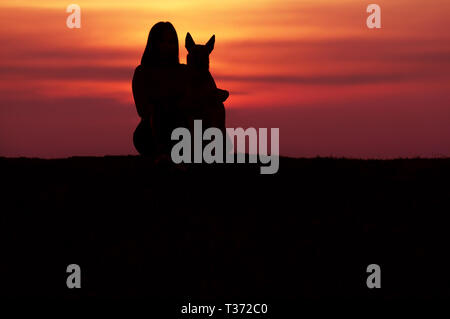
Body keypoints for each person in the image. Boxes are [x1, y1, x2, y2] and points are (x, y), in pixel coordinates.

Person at [132, 21, 188, 158]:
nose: (167, 46)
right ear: (153, 44)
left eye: (171, 42)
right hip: (151, 133)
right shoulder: (142, 72)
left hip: (183, 131)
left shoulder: (185, 72)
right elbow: (143, 110)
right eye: (162, 41)